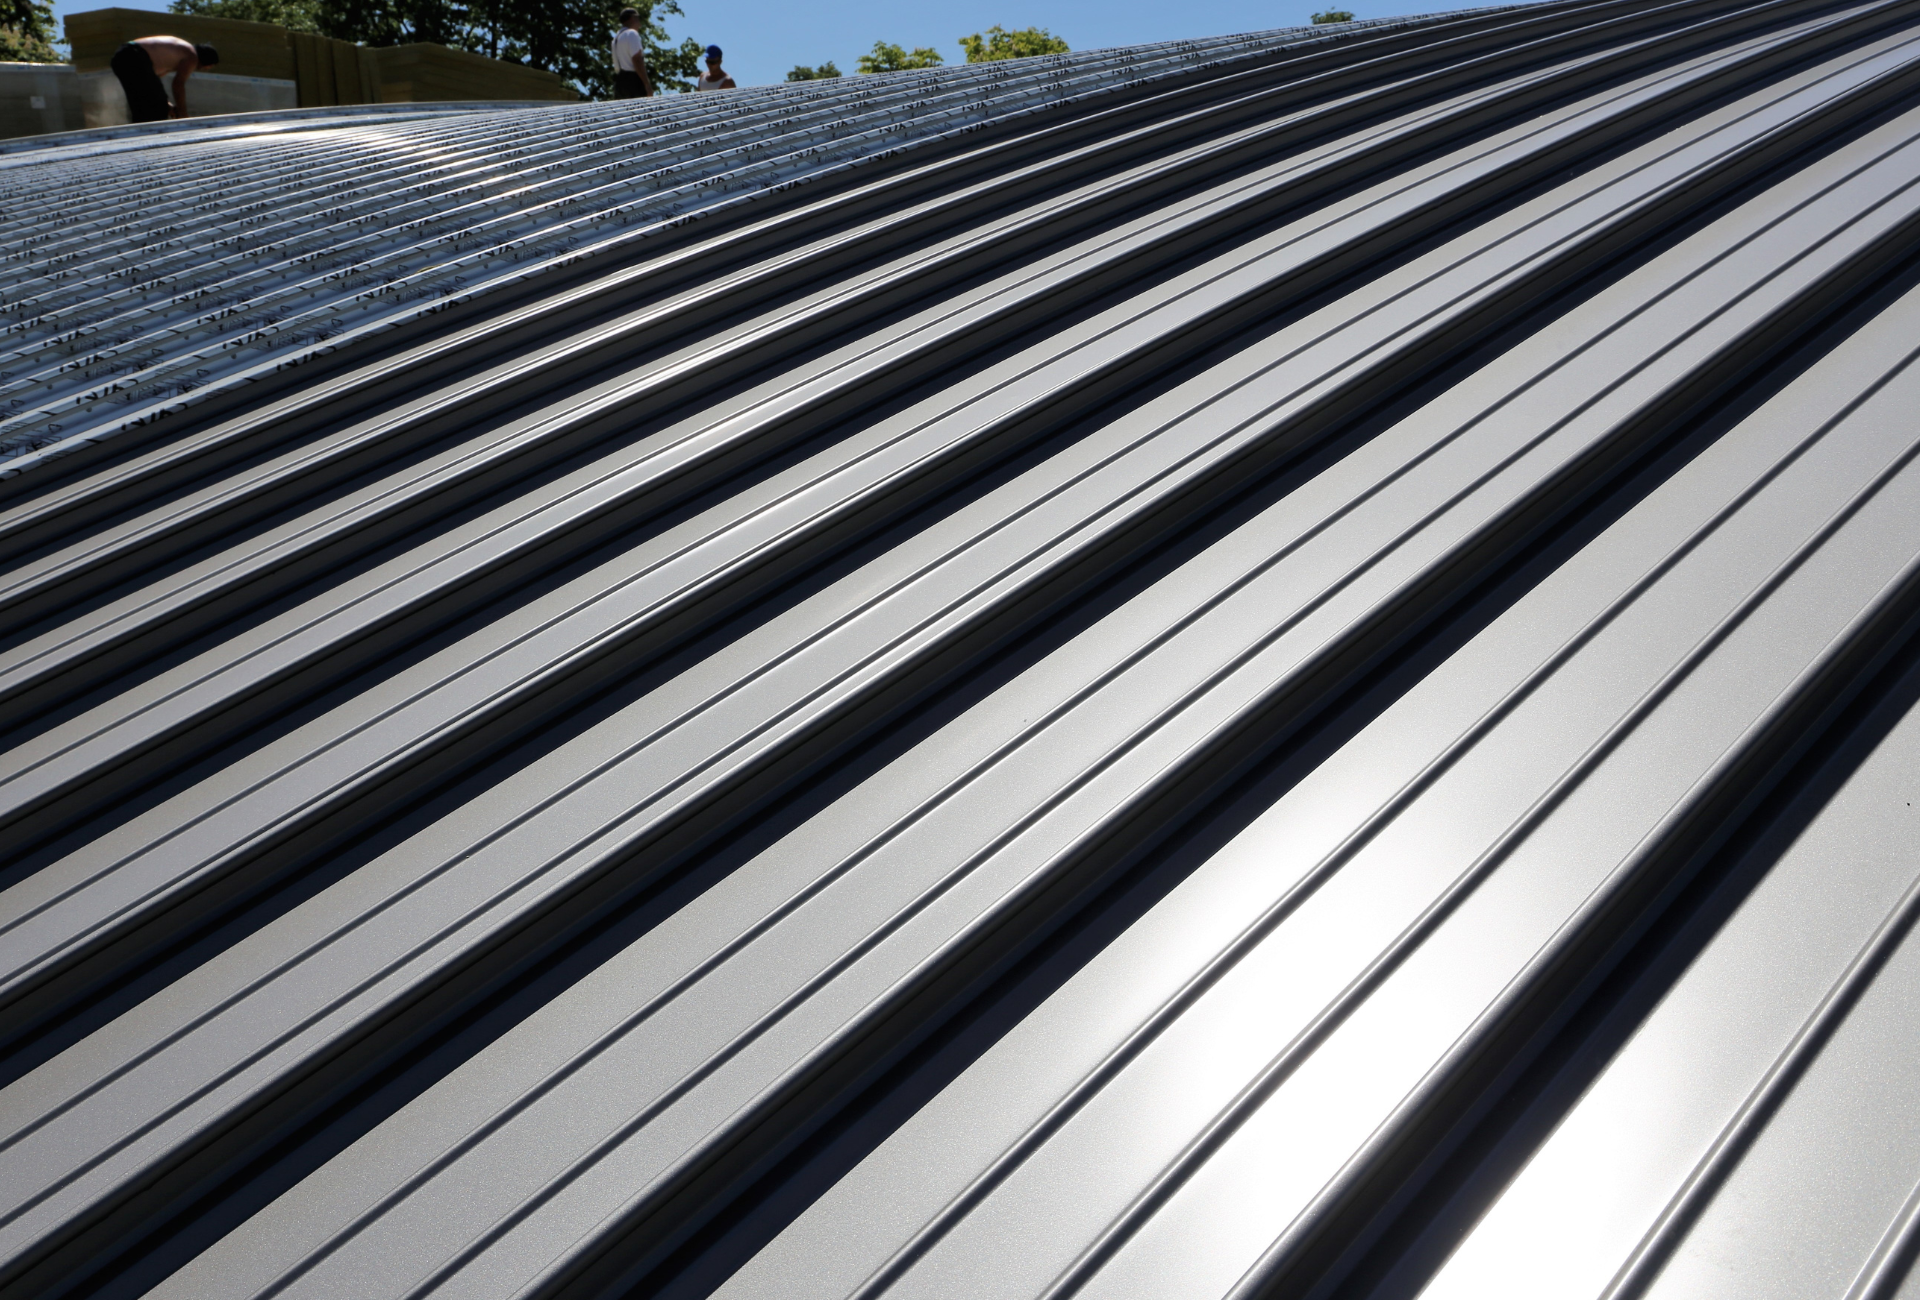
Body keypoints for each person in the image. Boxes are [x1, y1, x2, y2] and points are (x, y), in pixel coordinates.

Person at [110, 36, 218, 123]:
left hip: (121, 56)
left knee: (143, 105)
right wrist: (183, 114)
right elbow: (178, 85)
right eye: (209, 66)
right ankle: (150, 139)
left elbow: (150, 87)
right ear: (207, 60)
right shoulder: (192, 55)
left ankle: (141, 138)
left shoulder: (169, 60)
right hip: (134, 54)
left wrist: (167, 104)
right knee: (155, 108)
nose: (206, 69)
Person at [611, 9, 654, 98]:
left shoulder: (616, 39)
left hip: (619, 83)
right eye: (638, 18)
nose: (640, 22)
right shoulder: (631, 33)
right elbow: (637, 59)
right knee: (641, 111)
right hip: (633, 82)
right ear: (632, 18)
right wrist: (647, 84)